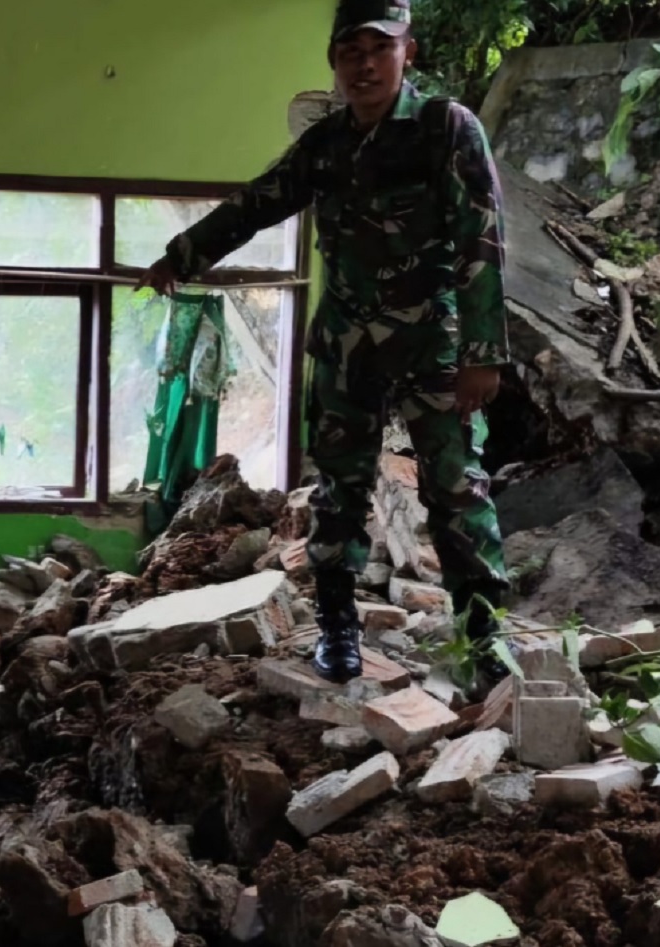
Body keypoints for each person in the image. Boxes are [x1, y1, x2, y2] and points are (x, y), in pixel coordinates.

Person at [138, 0, 511, 683]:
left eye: (379, 48)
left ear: (409, 53)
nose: (364, 64)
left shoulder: (445, 128)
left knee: (458, 491)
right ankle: (338, 628)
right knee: (339, 493)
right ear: (334, 64)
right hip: (347, 348)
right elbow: (257, 203)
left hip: (435, 343)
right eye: (350, 52)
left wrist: (484, 355)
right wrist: (182, 254)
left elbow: (481, 240)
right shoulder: (327, 143)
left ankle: (484, 638)